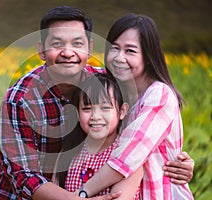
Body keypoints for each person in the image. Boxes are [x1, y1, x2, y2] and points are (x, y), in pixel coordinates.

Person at [0, 6, 194, 200]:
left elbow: (138, 144)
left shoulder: (105, 85)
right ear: (41, 50)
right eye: (57, 44)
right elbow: (26, 178)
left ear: (89, 49)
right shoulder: (20, 100)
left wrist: (177, 161)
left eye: (77, 44)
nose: (68, 52)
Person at [78, 13, 194, 199]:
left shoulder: (159, 95)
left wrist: (81, 194)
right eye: (114, 48)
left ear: (148, 56)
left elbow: (126, 159)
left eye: (130, 51)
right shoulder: (114, 88)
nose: (119, 58)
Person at [54, 73, 143, 200]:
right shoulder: (68, 154)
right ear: (77, 114)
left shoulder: (128, 155)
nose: (96, 116)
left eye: (105, 108)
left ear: (122, 111)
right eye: (87, 108)